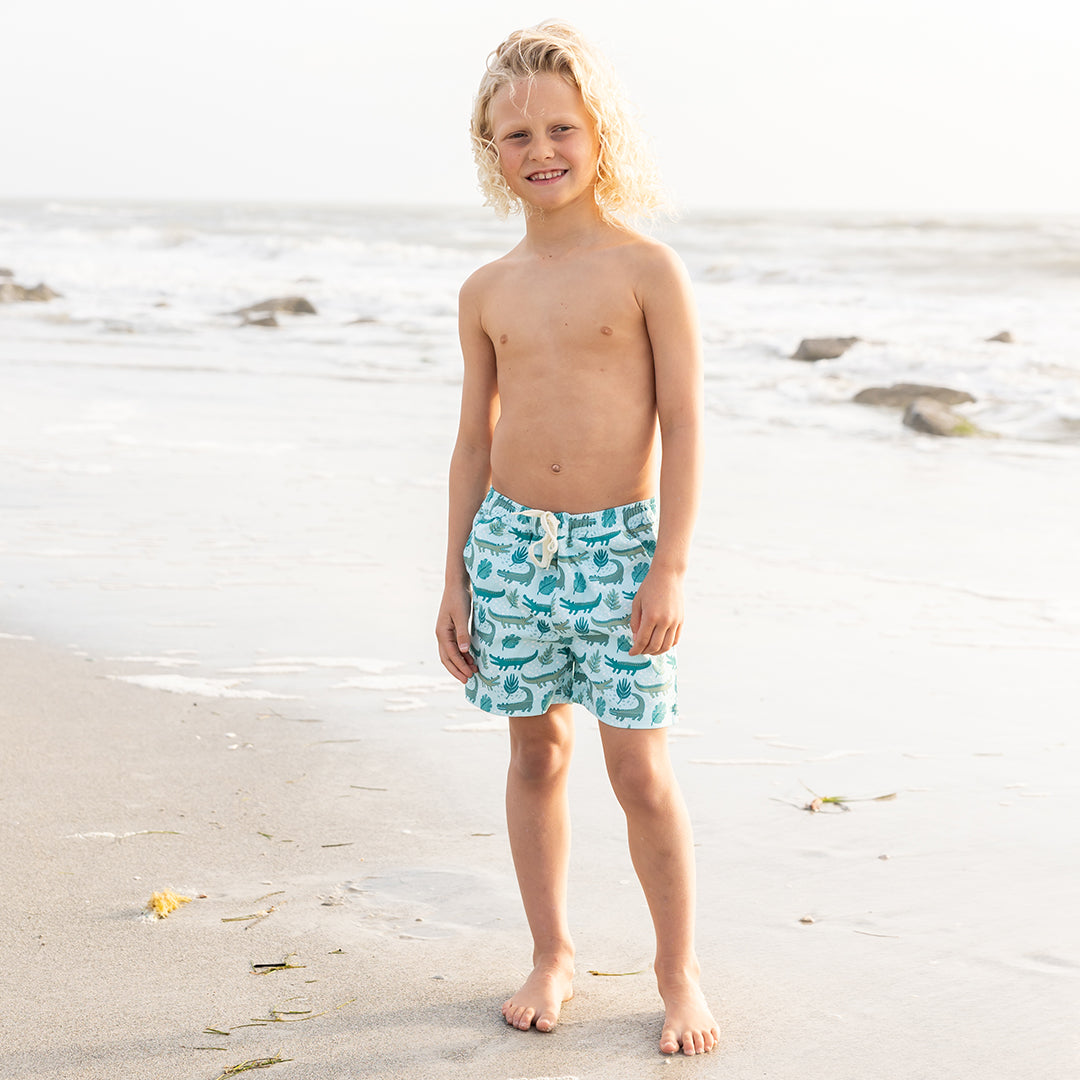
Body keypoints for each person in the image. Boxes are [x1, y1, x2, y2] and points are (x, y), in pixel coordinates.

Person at [435, 20, 718, 1058]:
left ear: (599, 134)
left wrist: (670, 565)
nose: (541, 150)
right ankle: (551, 950)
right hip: (508, 550)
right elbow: (473, 443)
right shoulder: (487, 290)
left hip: (620, 554)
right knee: (535, 754)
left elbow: (685, 423)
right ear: (489, 148)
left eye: (561, 128)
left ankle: (675, 971)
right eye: (516, 136)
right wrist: (454, 578)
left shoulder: (647, 270)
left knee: (639, 772)